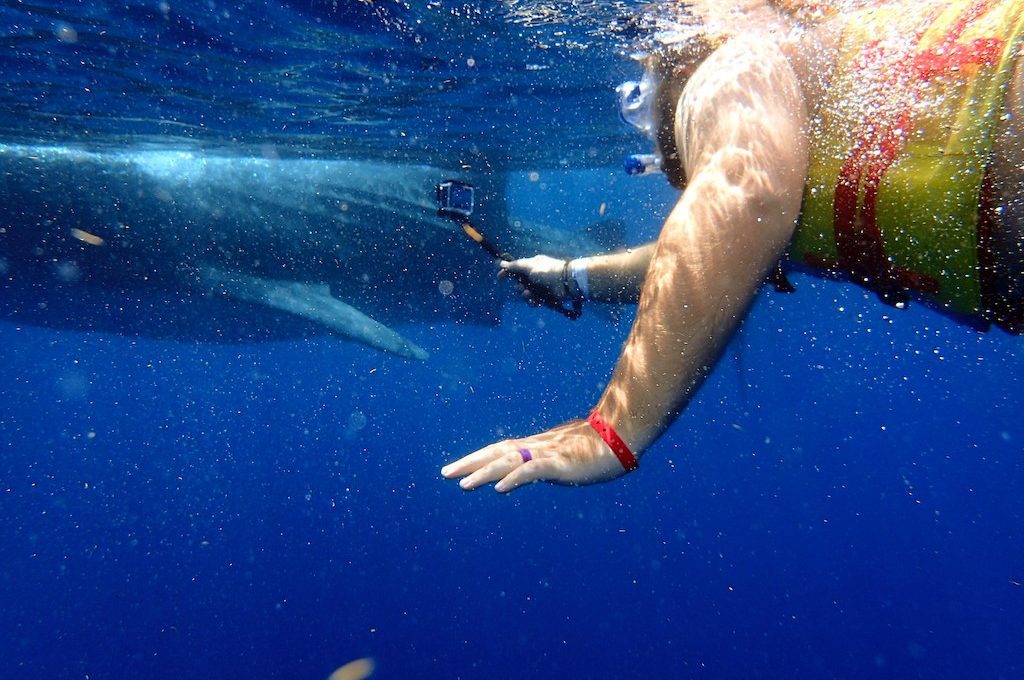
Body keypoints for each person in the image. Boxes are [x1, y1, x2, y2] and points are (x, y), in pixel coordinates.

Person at [441, 0, 1024, 493]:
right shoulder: (802, 124)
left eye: (640, 104)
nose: (649, 137)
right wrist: (572, 275)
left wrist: (610, 430)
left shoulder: (728, 66)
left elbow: (744, 193)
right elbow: (701, 256)